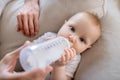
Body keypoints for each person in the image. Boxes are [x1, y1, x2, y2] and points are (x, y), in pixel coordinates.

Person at [33, 12, 101, 80]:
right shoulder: (49, 37)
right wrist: (42, 47)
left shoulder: (73, 58)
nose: (72, 38)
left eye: (81, 39)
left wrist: (59, 66)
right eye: (72, 29)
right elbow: (26, 51)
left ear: (87, 48)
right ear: (64, 24)